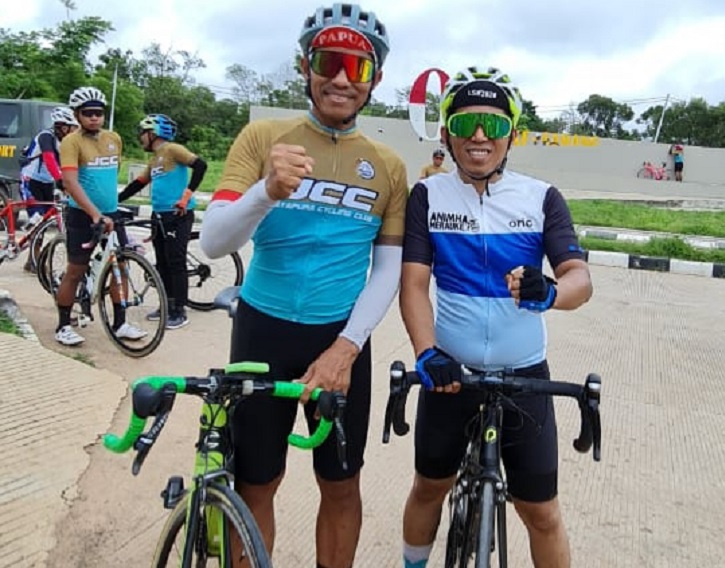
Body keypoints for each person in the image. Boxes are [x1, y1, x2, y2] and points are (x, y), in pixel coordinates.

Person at [199, 4, 407, 567]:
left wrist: (346, 348)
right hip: (261, 332)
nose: (341, 78)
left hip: (340, 338)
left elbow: (387, 269)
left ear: (375, 79)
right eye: (328, 61)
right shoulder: (264, 137)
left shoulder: (387, 165)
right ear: (304, 66)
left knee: (340, 484)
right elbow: (213, 241)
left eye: (356, 67)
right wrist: (266, 190)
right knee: (256, 482)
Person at [400, 66, 593, 568]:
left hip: (524, 374)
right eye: (465, 124)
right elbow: (414, 284)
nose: (479, 136)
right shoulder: (428, 196)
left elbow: (580, 279)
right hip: (449, 374)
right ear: (447, 135)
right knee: (428, 488)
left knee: (542, 514)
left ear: (512, 135)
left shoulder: (542, 197)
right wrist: (426, 352)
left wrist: (550, 292)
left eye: (494, 125)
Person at [55, 86, 147, 346]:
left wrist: (108, 209)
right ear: (77, 114)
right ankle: (63, 325)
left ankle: (120, 324)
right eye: (88, 113)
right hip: (82, 214)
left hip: (110, 213)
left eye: (99, 112)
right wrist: (94, 213)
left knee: (121, 266)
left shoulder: (113, 138)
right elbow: (70, 182)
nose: (94, 117)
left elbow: (112, 173)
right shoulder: (71, 142)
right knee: (76, 270)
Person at [118, 114, 207, 330]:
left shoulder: (173, 150)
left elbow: (201, 165)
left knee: (176, 262)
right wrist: (114, 201)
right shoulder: (155, 159)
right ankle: (167, 305)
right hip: (159, 216)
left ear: (153, 133)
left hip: (178, 215)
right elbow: (138, 184)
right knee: (163, 263)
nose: (140, 137)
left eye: (142, 133)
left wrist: (186, 196)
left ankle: (179, 311)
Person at [19, 106, 79, 271]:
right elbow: (49, 159)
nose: (73, 131)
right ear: (62, 126)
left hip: (46, 183)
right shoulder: (46, 136)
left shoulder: (64, 142)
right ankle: (33, 260)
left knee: (46, 220)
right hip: (30, 181)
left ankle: (32, 259)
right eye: (71, 127)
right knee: (38, 220)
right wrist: (60, 180)